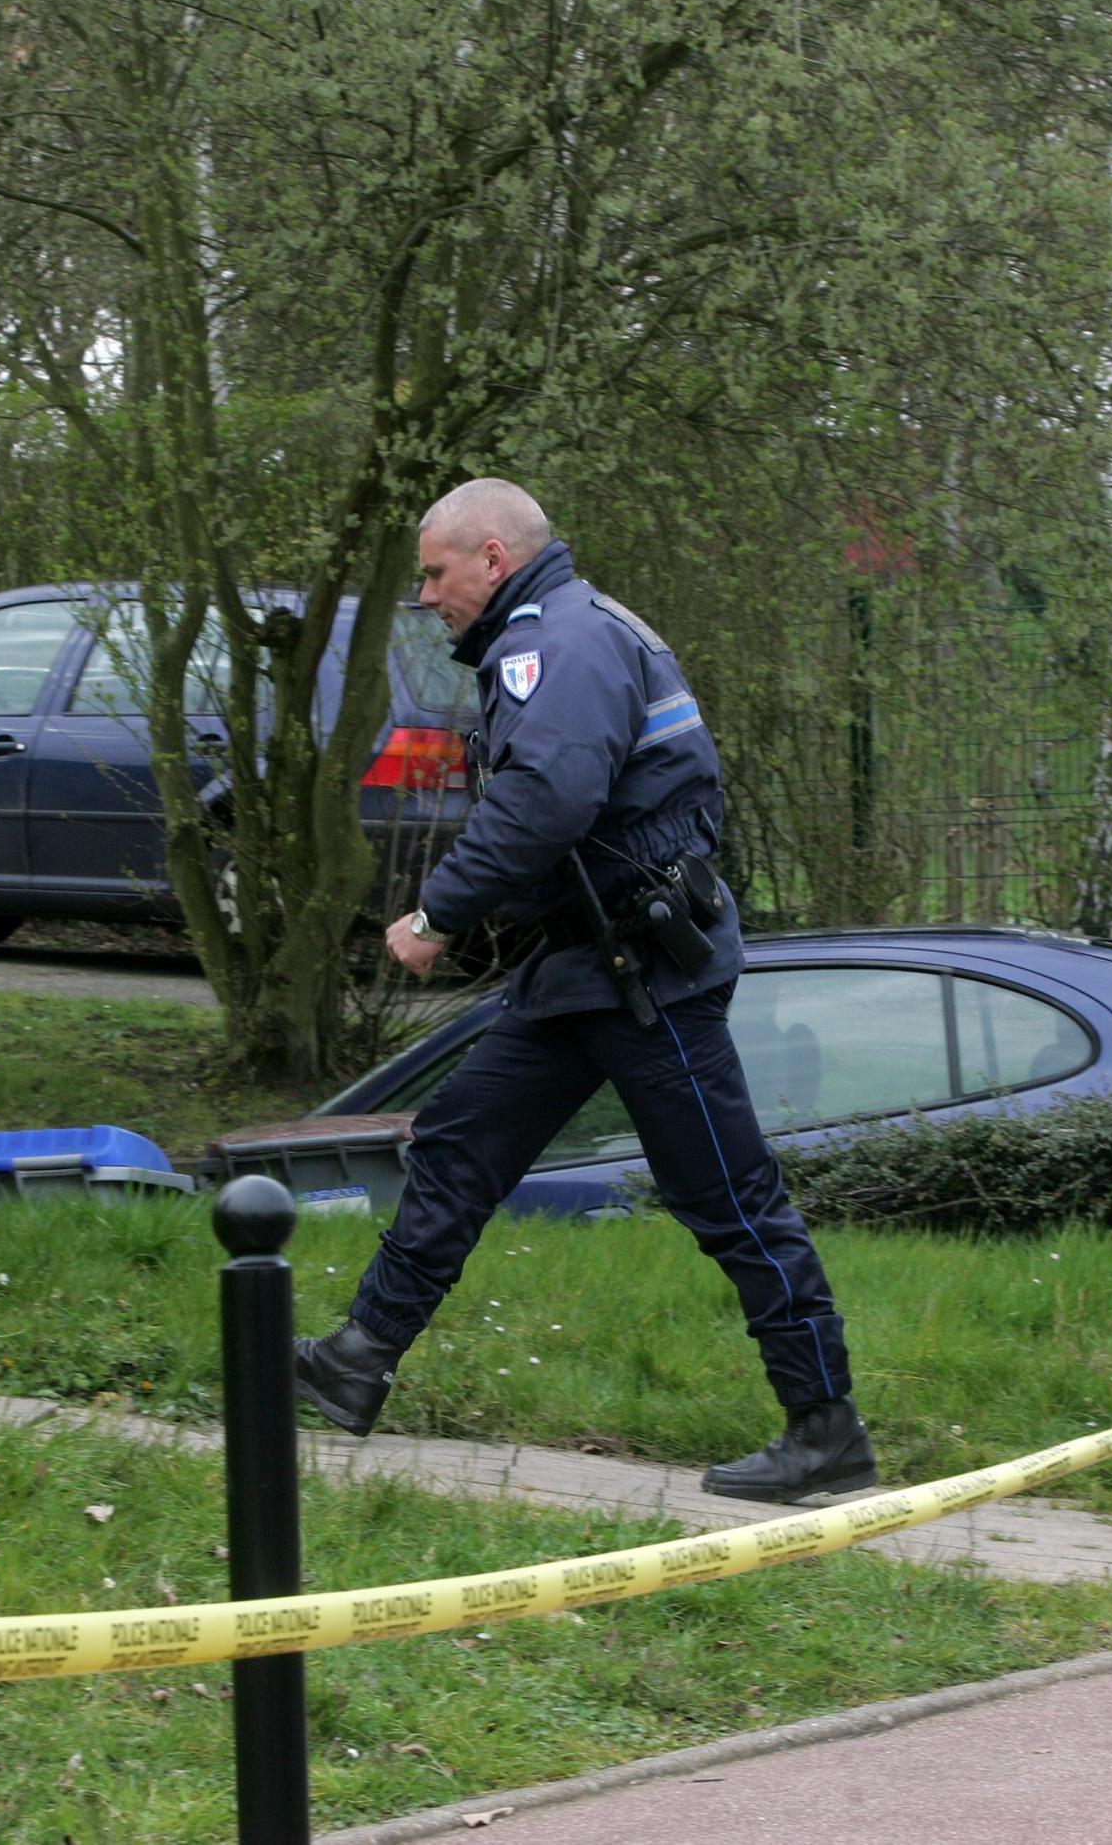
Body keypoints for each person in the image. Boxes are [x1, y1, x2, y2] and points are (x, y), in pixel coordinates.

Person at [293, 479, 878, 1503]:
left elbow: (546, 798)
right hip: (584, 968)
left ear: (488, 554)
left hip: (642, 976)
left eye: (433, 572)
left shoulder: (553, 641)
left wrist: (438, 915)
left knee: (729, 1200)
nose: (425, 595)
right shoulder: (572, 625)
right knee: (460, 1139)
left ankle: (823, 1425)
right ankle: (358, 1355)